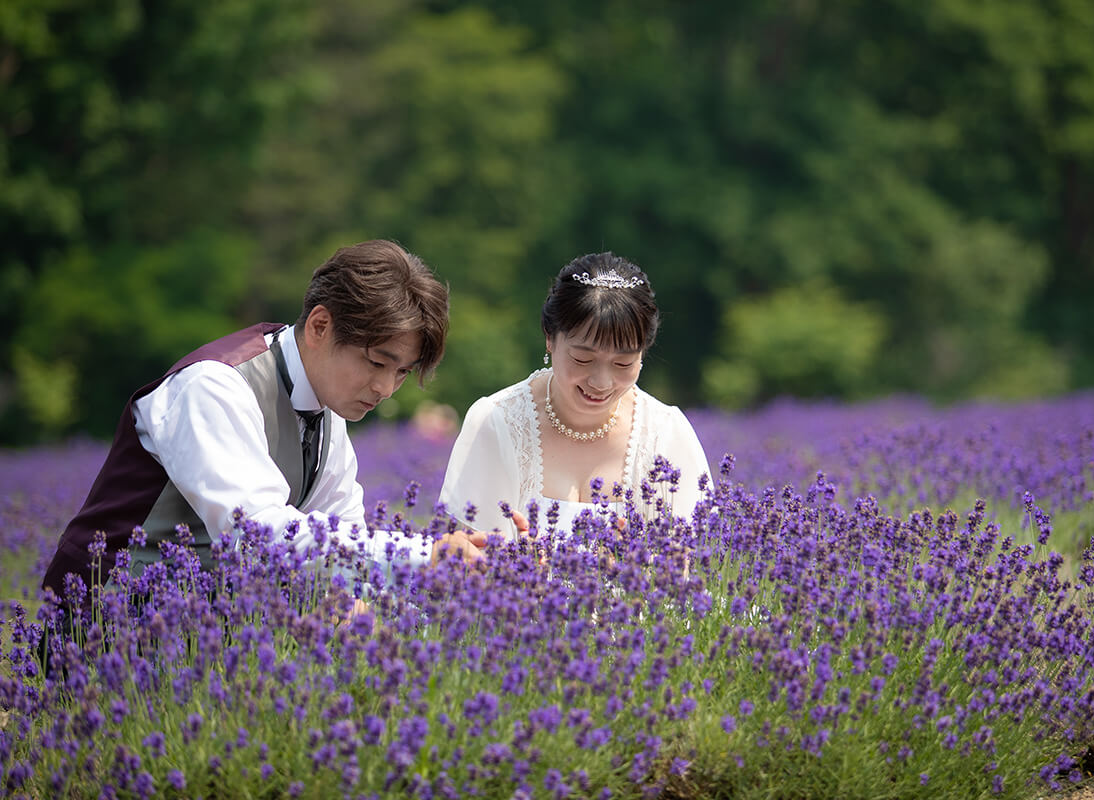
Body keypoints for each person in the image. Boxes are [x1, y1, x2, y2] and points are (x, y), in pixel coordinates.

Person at [42, 239, 488, 601]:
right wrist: (423, 555)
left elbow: (343, 541)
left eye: (402, 372)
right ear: (319, 326)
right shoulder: (215, 386)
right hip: (99, 630)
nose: (387, 389)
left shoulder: (327, 411)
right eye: (376, 363)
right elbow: (259, 539)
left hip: (211, 637)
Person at [438, 252, 711, 539]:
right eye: (582, 359)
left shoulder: (667, 434)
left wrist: (636, 568)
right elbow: (465, 562)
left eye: (623, 364)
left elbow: (687, 567)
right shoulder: (497, 421)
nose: (601, 382)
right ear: (549, 337)